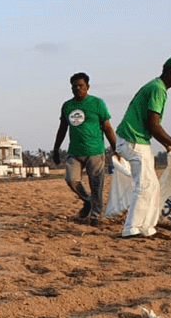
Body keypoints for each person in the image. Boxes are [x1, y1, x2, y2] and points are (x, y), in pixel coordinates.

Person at [115, 56, 171, 239]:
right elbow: (154, 126)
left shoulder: (156, 87)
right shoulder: (158, 89)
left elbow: (152, 126)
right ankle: (131, 228)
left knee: (152, 186)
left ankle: (146, 228)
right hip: (133, 139)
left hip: (136, 139)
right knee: (145, 186)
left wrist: (168, 146)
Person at [48, 72, 119, 226]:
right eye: (74, 86)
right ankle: (87, 201)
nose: (77, 89)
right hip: (75, 152)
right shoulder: (67, 106)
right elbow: (62, 129)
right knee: (71, 179)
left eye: (80, 85)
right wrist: (55, 149)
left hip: (95, 151)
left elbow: (107, 127)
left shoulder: (97, 104)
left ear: (87, 86)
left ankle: (96, 216)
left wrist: (116, 148)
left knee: (96, 185)